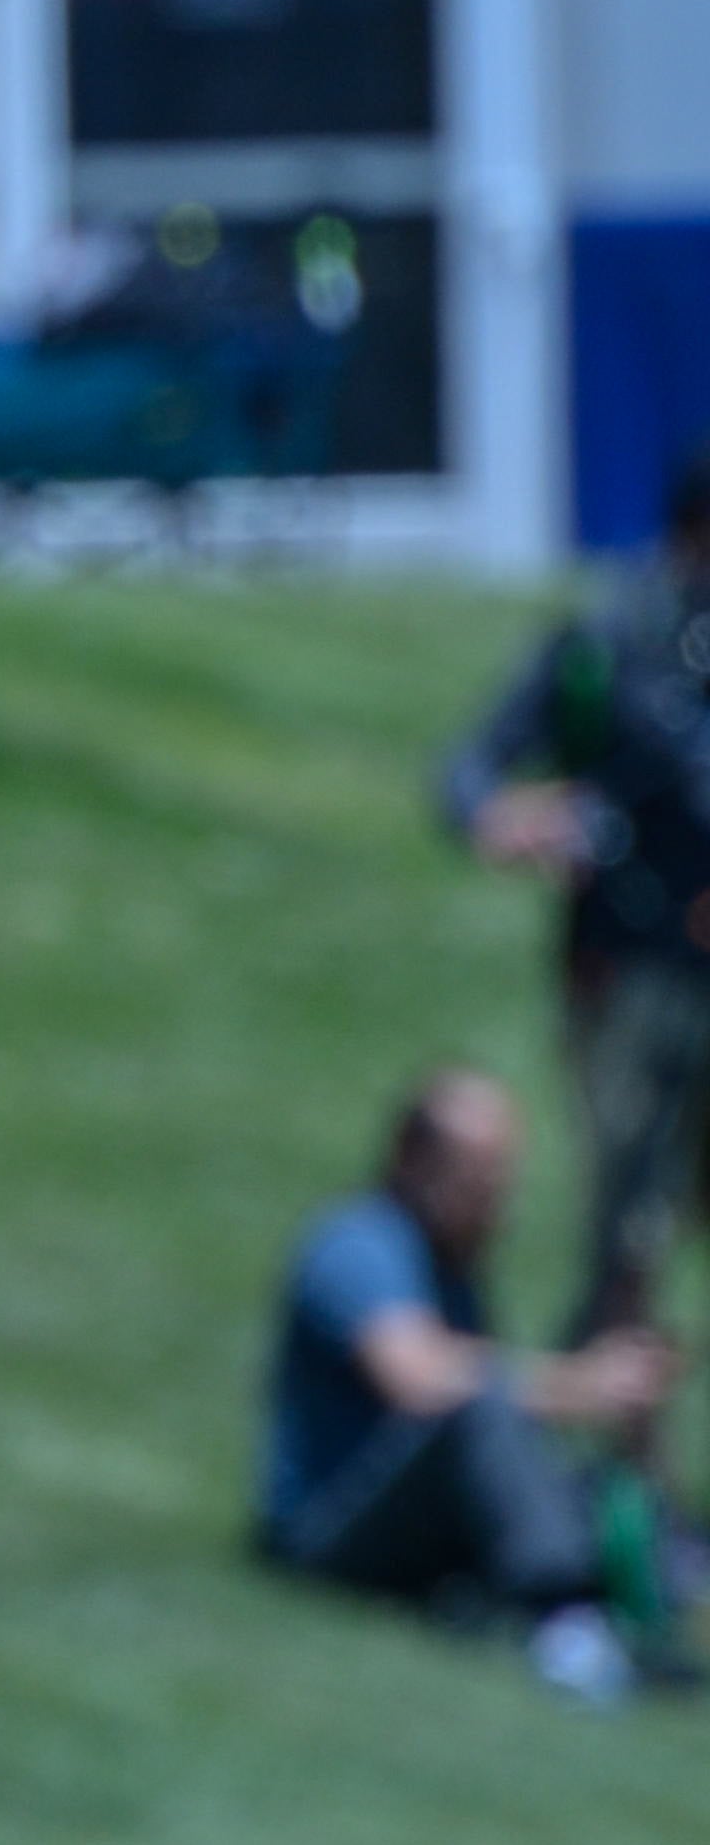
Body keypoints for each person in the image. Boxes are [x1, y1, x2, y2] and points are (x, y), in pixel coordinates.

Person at [257, 1069, 679, 1699]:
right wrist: (580, 1385)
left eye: (499, 1181)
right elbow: (419, 1379)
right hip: (322, 1533)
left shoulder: (454, 1276)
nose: (493, 1202)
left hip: (415, 1536)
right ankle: (564, 1626)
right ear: (410, 1160)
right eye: (473, 1180)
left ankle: (648, 1609)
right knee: (481, 1406)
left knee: (591, 1487)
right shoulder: (357, 1242)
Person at [446, 445, 710, 1355]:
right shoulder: (607, 647)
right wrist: (507, 820)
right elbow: (470, 772)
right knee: (629, 1236)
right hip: (630, 972)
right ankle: (614, 1475)